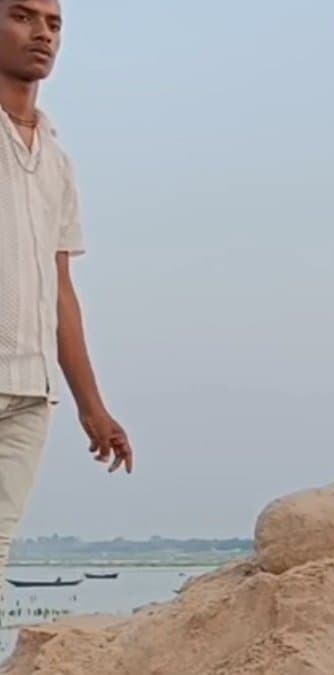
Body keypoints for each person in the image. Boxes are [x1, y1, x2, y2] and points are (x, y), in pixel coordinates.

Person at [0, 0, 132, 578]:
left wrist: (92, 406)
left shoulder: (56, 160)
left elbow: (60, 288)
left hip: (30, 392)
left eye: (54, 24)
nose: (42, 34)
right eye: (22, 16)